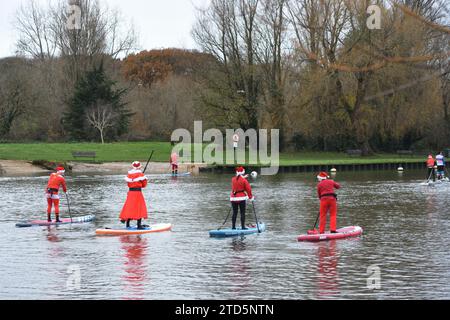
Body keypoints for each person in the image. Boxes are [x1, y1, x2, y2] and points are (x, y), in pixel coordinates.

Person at [120, 161, 149, 229]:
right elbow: (144, 185)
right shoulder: (140, 174)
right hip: (138, 193)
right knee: (139, 207)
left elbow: (128, 184)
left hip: (130, 193)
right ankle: (139, 225)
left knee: (130, 207)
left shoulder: (129, 174)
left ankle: (127, 224)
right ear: (139, 167)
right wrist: (141, 180)